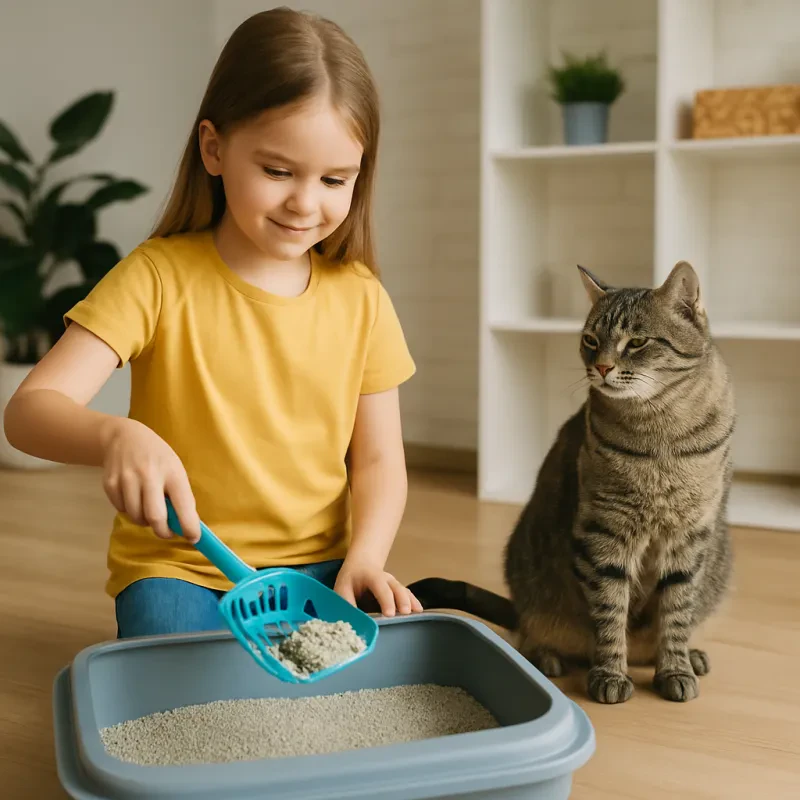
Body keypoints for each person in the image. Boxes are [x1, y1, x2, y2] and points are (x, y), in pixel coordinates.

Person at [3, 7, 423, 638]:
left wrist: (366, 558)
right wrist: (115, 437)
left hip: (320, 566)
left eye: (335, 179)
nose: (305, 203)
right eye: (277, 171)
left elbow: (379, 460)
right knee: (183, 687)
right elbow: (29, 412)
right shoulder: (156, 276)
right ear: (214, 148)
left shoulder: (361, 298)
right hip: (181, 563)